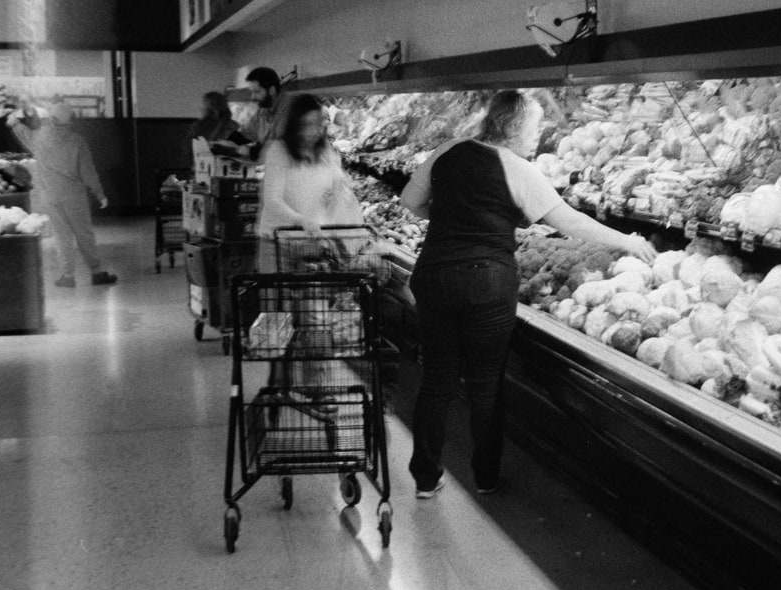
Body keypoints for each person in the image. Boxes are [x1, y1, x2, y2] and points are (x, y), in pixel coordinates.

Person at [399, 90, 656, 498]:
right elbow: (570, 222)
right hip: (487, 283)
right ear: (514, 126)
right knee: (485, 384)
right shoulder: (517, 168)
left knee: (437, 380)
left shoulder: (449, 150)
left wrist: (452, 217)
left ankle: (426, 478)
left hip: (434, 276)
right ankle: (485, 477)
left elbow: (410, 201)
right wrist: (627, 241)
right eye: (535, 127)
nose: (538, 135)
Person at [8, 101, 117, 287]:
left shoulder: (38, 137)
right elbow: (88, 171)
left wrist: (15, 120)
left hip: (50, 196)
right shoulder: (77, 141)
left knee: (61, 236)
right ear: (71, 120)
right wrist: (100, 194)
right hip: (74, 196)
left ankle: (68, 276)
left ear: (51, 119)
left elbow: (19, 130)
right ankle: (96, 272)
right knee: (84, 233)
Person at [256, 92, 361, 272]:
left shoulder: (326, 152)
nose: (313, 131)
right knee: (276, 290)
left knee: (309, 290)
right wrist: (301, 220)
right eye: (306, 125)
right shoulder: (279, 151)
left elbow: (335, 191)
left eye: (317, 124)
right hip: (277, 242)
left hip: (310, 243)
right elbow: (272, 201)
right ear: (295, 126)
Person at [238, 67, 284, 161]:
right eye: (252, 92)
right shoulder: (262, 111)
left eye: (257, 91)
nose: (252, 97)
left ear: (271, 90)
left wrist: (251, 151)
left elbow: (282, 148)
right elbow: (247, 133)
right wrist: (227, 142)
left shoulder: (288, 110)